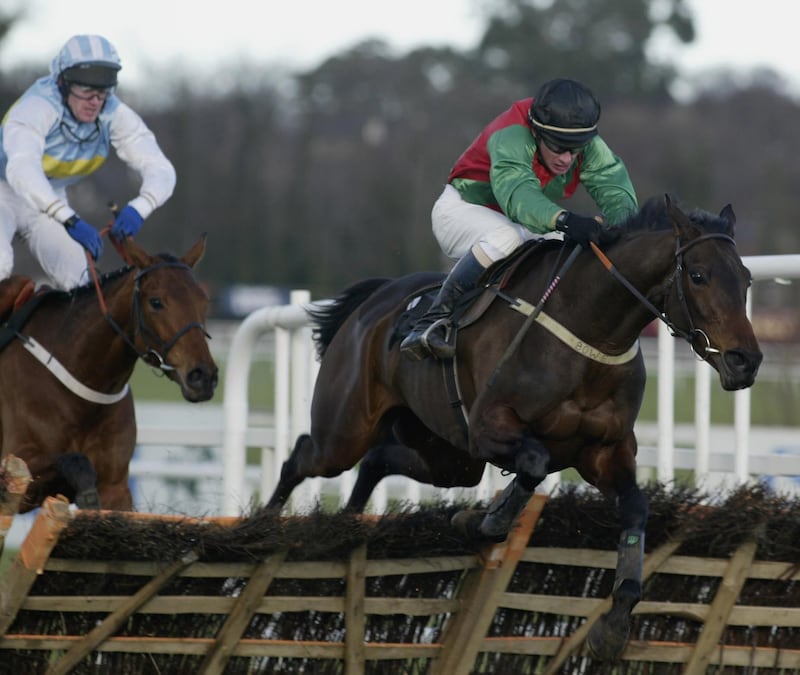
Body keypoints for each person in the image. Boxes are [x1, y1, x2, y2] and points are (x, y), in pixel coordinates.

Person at [400, 78, 638, 361]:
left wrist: (618, 228)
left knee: (565, 253)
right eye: (558, 147)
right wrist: (565, 220)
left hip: (520, 223)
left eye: (575, 150)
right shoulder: (511, 133)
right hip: (461, 211)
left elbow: (616, 189)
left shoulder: (581, 140)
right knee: (508, 238)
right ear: (536, 133)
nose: (566, 158)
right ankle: (432, 320)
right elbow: (518, 196)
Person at [0, 34, 176, 290]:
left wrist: (139, 208)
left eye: (103, 90)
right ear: (62, 83)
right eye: (86, 90)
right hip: (5, 188)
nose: (95, 101)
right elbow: (21, 171)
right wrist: (70, 220)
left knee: (80, 283)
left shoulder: (113, 113)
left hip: (50, 196)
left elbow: (161, 169)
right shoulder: (36, 107)